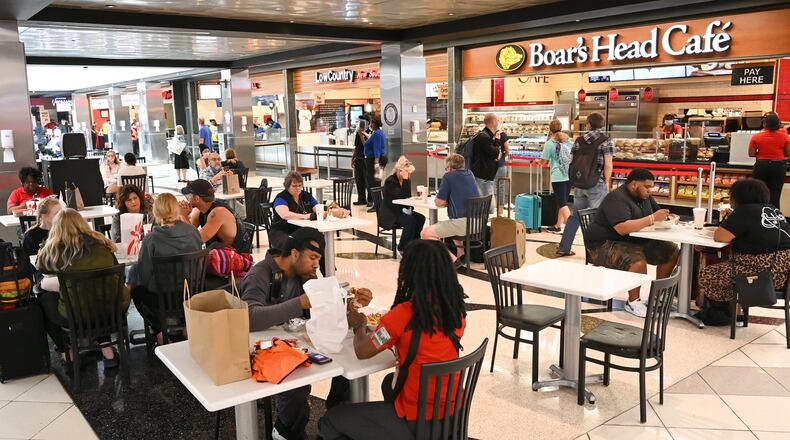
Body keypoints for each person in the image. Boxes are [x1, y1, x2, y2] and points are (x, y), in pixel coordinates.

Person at [319, 239, 466, 439]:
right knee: (388, 383)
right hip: (452, 413)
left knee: (331, 419)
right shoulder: (455, 310)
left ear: (410, 272)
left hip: (419, 422)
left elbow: (362, 351)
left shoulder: (403, 315)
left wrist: (359, 325)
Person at [240, 227, 372, 439]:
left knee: (348, 360)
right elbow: (249, 317)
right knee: (296, 381)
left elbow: (326, 312)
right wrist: (299, 303)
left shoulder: (305, 275)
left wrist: (352, 304)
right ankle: (285, 430)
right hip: (262, 351)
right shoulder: (260, 274)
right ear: (294, 253)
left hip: (297, 343)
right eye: (312, 257)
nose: (316, 265)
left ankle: (337, 423)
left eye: (318, 259)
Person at [36, 208, 130, 367]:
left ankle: (69, 352)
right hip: (113, 310)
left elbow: (40, 266)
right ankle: (107, 349)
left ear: (57, 228)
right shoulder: (102, 243)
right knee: (94, 296)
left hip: (77, 316)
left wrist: (48, 242)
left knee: (44, 297)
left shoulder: (56, 249)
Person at [584, 168, 679, 317]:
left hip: (632, 240)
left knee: (671, 251)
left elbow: (657, 215)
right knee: (637, 262)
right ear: (634, 184)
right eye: (646, 187)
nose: (650, 190)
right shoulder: (616, 198)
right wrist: (652, 218)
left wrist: (667, 217)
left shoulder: (646, 197)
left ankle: (658, 296)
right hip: (603, 244)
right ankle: (633, 302)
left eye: (651, 187)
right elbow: (622, 228)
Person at [699, 178, 790, 307]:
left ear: (739, 197)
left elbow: (720, 236)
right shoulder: (773, 210)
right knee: (724, 269)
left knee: (707, 274)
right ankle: (732, 310)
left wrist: (730, 219)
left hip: (763, 275)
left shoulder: (745, 210)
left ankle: (720, 312)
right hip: (784, 275)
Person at [131, 193, 203, 345]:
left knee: (137, 292)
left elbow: (144, 276)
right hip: (191, 293)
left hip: (161, 298)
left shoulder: (151, 239)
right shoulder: (193, 232)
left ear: (156, 212)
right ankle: (186, 325)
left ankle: (159, 331)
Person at [556, 112, 614, 257]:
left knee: (576, 215)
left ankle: (564, 247)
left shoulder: (578, 140)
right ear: (602, 125)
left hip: (580, 183)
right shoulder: (606, 141)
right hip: (596, 183)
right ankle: (596, 252)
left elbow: (571, 162)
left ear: (588, 124)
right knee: (598, 218)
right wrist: (606, 180)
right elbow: (608, 165)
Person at [420, 153, 480, 265]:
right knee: (451, 222)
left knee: (426, 233)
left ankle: (452, 260)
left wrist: (446, 199)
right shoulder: (470, 173)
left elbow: (438, 202)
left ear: (450, 168)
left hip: (464, 224)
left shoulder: (449, 176)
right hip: (478, 223)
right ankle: (461, 254)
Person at [269, 171, 347, 252]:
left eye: (299, 185)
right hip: (281, 230)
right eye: (294, 186)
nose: (298, 188)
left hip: (300, 229)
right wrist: (307, 216)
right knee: (291, 244)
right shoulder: (281, 198)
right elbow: (285, 215)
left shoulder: (306, 195)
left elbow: (318, 208)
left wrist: (335, 210)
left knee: (319, 241)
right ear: (287, 186)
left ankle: (323, 260)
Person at [179, 179, 243, 251]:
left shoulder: (218, 213)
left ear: (197, 198)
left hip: (233, 255)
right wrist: (180, 216)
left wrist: (184, 216)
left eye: (188, 196)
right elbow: (186, 235)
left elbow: (196, 240)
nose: (187, 199)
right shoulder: (199, 211)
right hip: (217, 253)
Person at [382, 156, 426, 254]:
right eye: (408, 173)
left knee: (421, 218)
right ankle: (403, 247)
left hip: (402, 210)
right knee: (410, 221)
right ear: (400, 171)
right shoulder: (390, 181)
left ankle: (414, 243)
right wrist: (406, 181)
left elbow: (407, 196)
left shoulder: (406, 180)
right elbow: (400, 196)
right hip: (391, 212)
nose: (409, 175)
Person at [749, 112, 790, 209]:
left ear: (765, 124)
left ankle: (758, 213)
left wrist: (762, 154)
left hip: (761, 166)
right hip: (778, 167)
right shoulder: (785, 137)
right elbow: (788, 153)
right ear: (778, 124)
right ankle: (774, 215)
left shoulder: (756, 137)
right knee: (775, 194)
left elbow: (751, 153)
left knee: (759, 192)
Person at [539, 119, 573, 233]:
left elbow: (543, 161)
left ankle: (570, 229)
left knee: (562, 203)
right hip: (568, 174)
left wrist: (537, 161)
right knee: (563, 202)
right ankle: (558, 225)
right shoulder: (568, 141)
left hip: (558, 177)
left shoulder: (550, 143)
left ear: (550, 129)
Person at [471, 113, 502, 213]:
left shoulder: (486, 136)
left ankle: (484, 217)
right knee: (486, 202)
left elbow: (496, 154)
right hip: (482, 174)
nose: (499, 123)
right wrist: (497, 140)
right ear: (493, 122)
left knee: (486, 200)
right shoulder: (483, 137)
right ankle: (483, 218)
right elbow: (495, 153)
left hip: (485, 174)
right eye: (498, 120)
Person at [361, 116, 388, 213]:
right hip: (376, 159)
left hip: (375, 160)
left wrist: (376, 163)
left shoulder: (377, 134)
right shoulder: (378, 133)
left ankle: (377, 204)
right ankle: (378, 204)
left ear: (375, 123)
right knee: (375, 182)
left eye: (372, 123)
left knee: (374, 183)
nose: (370, 125)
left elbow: (377, 148)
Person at [352, 115, 371, 206]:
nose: (360, 124)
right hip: (358, 159)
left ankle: (370, 200)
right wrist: (353, 158)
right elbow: (357, 147)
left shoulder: (370, 133)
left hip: (366, 160)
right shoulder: (357, 133)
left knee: (367, 180)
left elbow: (366, 145)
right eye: (360, 122)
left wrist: (361, 135)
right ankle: (361, 198)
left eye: (362, 122)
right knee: (359, 180)